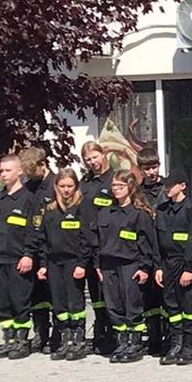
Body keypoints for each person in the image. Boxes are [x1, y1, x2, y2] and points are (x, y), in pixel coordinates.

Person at [96, 171, 158, 364]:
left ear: (130, 187)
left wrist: (145, 268)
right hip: (109, 265)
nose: (115, 190)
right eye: (114, 186)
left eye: (120, 186)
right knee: (114, 306)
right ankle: (122, 341)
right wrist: (98, 265)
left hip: (131, 264)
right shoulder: (106, 212)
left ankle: (135, 341)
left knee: (133, 305)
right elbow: (98, 241)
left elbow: (147, 243)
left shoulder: (139, 214)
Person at [0, 154, 43, 360]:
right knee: (2, 302)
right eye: (1, 171)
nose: (3, 174)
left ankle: (22, 341)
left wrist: (28, 254)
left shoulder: (29, 200)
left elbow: (34, 230)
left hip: (19, 259)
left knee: (20, 302)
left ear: (19, 171)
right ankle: (8, 340)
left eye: (7, 170)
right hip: (0, 259)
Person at [39, 169, 96, 361]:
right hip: (55, 262)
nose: (66, 190)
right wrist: (43, 264)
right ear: (56, 187)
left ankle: (78, 340)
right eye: (62, 186)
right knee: (59, 303)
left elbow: (87, 239)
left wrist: (82, 263)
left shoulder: (83, 206)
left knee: (75, 303)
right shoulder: (51, 210)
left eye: (70, 186)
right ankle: (65, 340)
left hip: (74, 262)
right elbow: (43, 239)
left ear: (76, 187)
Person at [153, 174, 192, 366]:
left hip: (184, 262)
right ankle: (176, 342)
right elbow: (157, 240)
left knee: (189, 305)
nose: (167, 188)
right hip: (167, 263)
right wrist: (157, 266)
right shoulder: (163, 210)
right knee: (171, 304)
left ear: (182, 186)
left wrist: (189, 268)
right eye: (166, 185)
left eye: (172, 185)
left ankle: (190, 344)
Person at [79, 141, 116, 352]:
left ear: (104, 154)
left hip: (108, 242)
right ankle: (100, 327)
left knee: (109, 290)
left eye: (95, 156)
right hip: (89, 241)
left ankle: (113, 331)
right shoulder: (85, 183)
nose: (92, 162)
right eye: (88, 159)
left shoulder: (114, 179)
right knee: (95, 292)